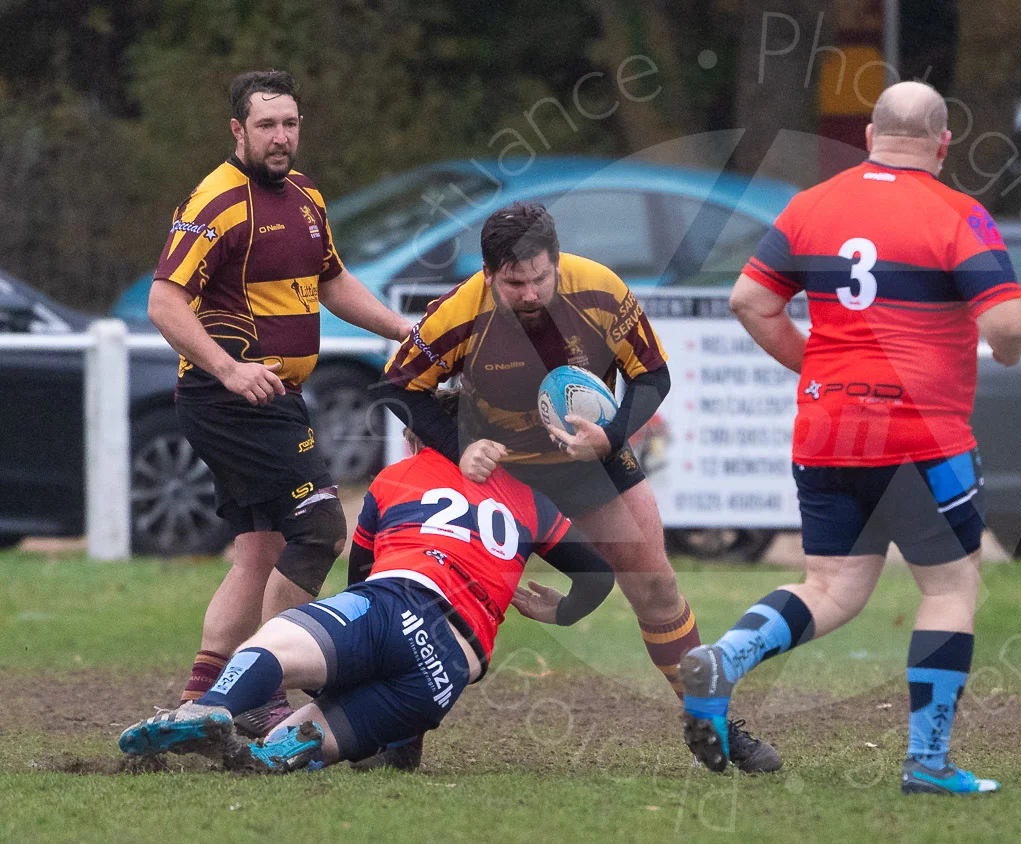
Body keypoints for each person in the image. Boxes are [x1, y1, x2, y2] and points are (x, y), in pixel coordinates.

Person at [677, 80, 1021, 796]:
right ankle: (928, 762)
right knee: (949, 588)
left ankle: (726, 657)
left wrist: (817, 363)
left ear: (870, 137)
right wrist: (1011, 337)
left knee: (832, 586)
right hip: (920, 435)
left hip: (826, 427)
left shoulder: (811, 206)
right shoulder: (957, 213)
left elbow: (750, 301)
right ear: (942, 144)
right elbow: (1007, 327)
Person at [374, 202, 781, 774]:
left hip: (585, 457)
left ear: (557, 263)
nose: (532, 293)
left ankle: (709, 723)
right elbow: (397, 387)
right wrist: (458, 445)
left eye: (541, 277)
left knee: (657, 585)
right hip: (497, 468)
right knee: (434, 593)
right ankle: (400, 723)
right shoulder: (459, 312)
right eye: (515, 283)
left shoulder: (601, 291)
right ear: (489, 274)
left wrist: (610, 435)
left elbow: (651, 375)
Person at [118, 392, 615, 771]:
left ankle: (210, 707)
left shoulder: (400, 475)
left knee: (276, 640)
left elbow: (362, 579)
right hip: (449, 671)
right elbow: (599, 575)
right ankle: (306, 748)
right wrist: (564, 610)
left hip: (396, 601)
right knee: (280, 747)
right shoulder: (531, 499)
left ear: (426, 436)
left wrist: (341, 661)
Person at [149, 70, 412, 734]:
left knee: (263, 548)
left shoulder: (305, 199)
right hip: (228, 398)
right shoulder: (217, 201)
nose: (280, 136)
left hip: (276, 397)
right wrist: (228, 369)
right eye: (266, 125)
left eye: (289, 123)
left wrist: (404, 330)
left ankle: (204, 698)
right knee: (320, 527)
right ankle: (262, 687)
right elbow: (164, 300)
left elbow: (334, 281)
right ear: (238, 130)